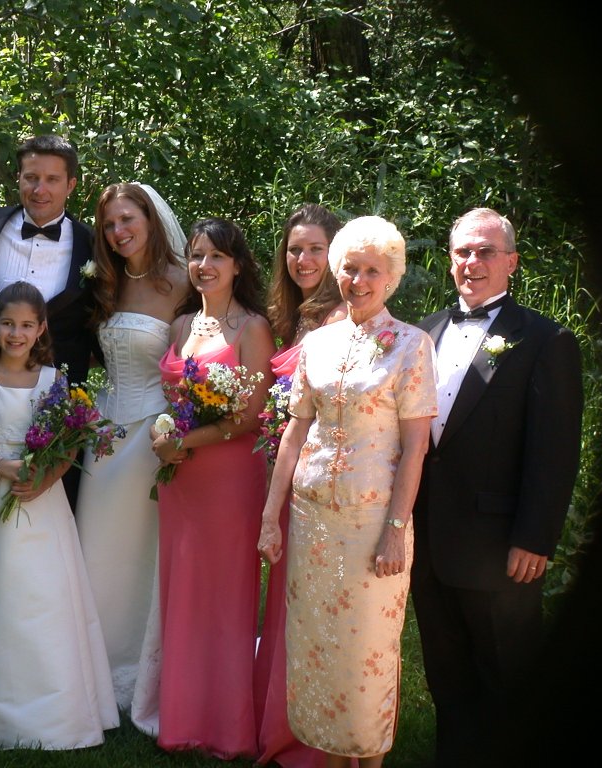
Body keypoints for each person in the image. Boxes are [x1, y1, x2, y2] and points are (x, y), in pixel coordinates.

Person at [257, 215, 437, 768]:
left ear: (392, 278)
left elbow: (416, 448)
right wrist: (270, 518)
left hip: (372, 524)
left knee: (365, 655)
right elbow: (295, 432)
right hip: (313, 521)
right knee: (320, 651)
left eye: (372, 271)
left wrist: (396, 531)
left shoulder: (412, 345)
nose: (359, 281)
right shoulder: (318, 343)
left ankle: (368, 758)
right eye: (350, 269)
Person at [410, 207, 583, 767]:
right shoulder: (424, 333)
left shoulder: (545, 340)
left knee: (508, 678)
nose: (472, 261)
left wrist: (535, 536)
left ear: (511, 261)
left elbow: (555, 449)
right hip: (428, 541)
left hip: (500, 545)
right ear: (449, 261)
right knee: (447, 677)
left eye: (485, 251)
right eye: (462, 251)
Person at [0, 280, 119, 750]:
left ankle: (53, 709)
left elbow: (70, 442)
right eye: (7, 324)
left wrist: (45, 478)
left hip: (42, 503)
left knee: (43, 599)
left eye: (25, 325)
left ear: (41, 330)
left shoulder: (54, 381)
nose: (15, 334)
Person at [149, 217, 275, 759]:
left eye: (216, 256)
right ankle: (181, 719)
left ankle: (227, 728)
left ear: (238, 265)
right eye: (197, 256)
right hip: (182, 481)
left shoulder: (253, 328)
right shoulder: (181, 326)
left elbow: (251, 416)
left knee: (225, 598)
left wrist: (183, 440)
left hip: (229, 480)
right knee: (184, 593)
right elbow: (171, 400)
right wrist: (162, 435)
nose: (204, 266)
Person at [74, 182, 190, 713]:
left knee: (141, 553)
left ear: (150, 218)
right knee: (97, 548)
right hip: (103, 435)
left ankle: (141, 674)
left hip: (151, 434)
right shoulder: (106, 282)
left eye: (127, 219)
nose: (119, 231)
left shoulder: (184, 282)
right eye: (109, 225)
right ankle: (92, 670)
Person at [0, 134, 96, 510]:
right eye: (31, 177)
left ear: (71, 184)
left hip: (52, 411)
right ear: (18, 177)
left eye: (52, 179)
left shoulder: (94, 245)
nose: (39, 189)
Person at [254, 202, 345, 768]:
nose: (303, 259)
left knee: (314, 608)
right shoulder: (289, 317)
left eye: (315, 249)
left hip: (321, 484)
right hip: (284, 476)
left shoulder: (342, 317)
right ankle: (279, 721)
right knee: (286, 604)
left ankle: (316, 737)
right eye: (294, 249)